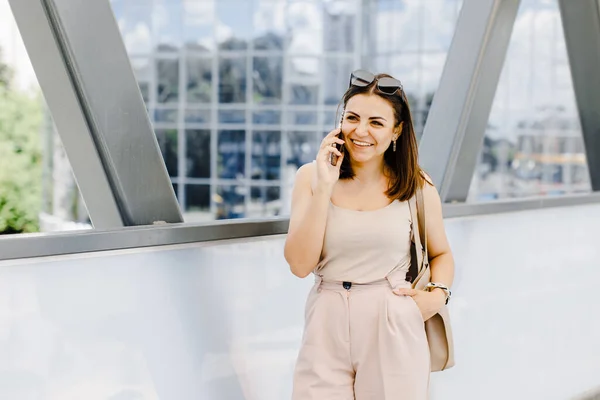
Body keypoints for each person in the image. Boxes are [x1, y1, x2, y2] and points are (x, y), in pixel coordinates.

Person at [284, 69, 455, 399]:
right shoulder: (310, 177)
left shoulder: (417, 186)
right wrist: (325, 186)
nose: (360, 131)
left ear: (396, 131)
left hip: (391, 316)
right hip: (326, 317)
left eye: (376, 122)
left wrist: (436, 297)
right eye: (352, 118)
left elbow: (441, 253)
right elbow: (299, 265)